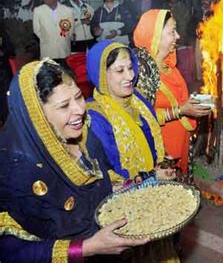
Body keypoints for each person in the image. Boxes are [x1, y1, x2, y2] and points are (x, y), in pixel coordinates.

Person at [0, 59, 148, 262]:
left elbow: (101, 185)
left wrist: (144, 182)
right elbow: (11, 253)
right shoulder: (17, 172)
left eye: (78, 97)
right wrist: (87, 248)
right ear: (36, 117)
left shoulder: (84, 136)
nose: (79, 110)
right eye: (63, 106)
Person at [134, 9, 212, 183]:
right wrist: (181, 110)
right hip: (162, 149)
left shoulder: (169, 67)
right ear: (154, 36)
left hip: (181, 143)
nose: (177, 36)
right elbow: (142, 118)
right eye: (171, 32)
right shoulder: (141, 74)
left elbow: (176, 100)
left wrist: (193, 103)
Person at [86, 40, 166, 183]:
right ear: (101, 75)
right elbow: (108, 177)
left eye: (130, 68)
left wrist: (163, 163)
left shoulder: (138, 99)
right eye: (120, 70)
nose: (130, 76)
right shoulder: (96, 118)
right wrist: (151, 177)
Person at [33, 0, 75, 64]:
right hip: (47, 53)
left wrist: (61, 39)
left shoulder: (68, 11)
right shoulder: (38, 11)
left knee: (65, 74)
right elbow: (37, 31)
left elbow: (70, 31)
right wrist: (48, 39)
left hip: (64, 52)